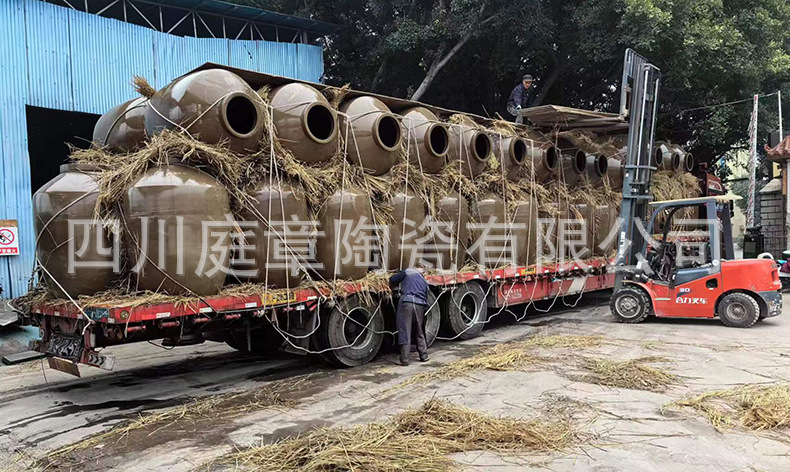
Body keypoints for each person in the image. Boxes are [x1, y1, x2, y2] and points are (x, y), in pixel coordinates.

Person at [389, 268, 429, 366]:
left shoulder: (408, 271)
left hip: (407, 303)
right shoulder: (424, 281)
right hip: (420, 304)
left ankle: (404, 359)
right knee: (419, 331)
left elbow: (393, 279)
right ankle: (424, 356)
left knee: (405, 331)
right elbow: (426, 297)